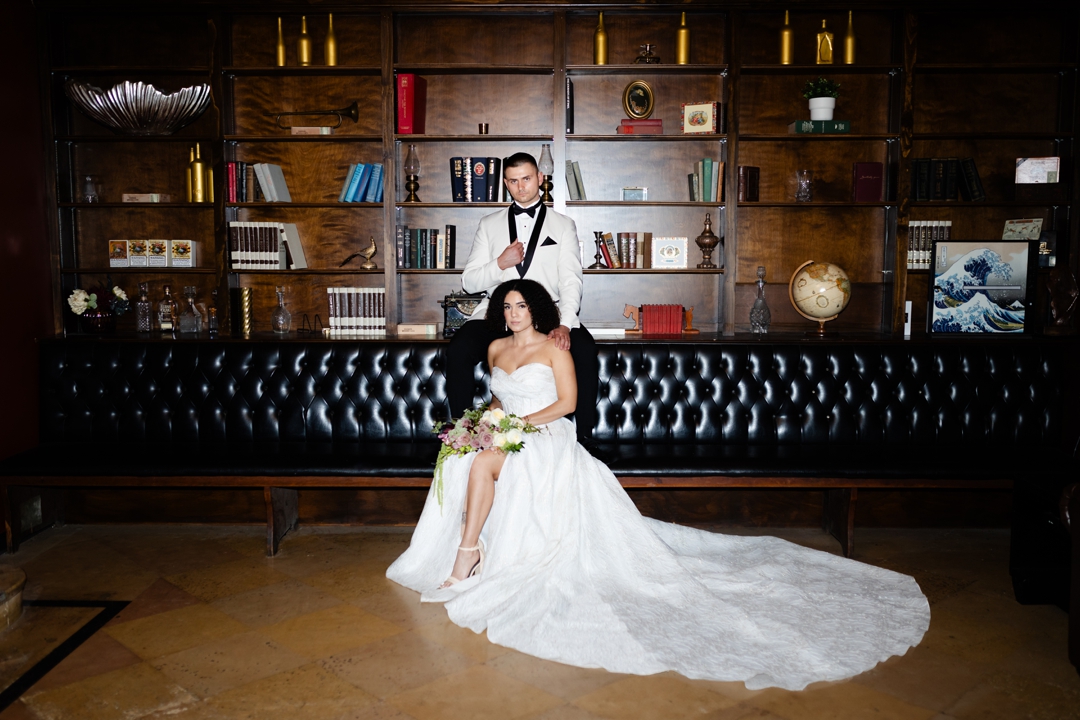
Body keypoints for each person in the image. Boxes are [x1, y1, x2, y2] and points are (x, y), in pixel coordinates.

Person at [387, 279, 931, 692]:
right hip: (511, 428)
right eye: (506, 307)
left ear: (538, 311)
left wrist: (517, 426)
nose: (512, 315)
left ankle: (467, 557)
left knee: (481, 464)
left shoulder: (556, 348)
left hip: (547, 432)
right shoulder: (495, 350)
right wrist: (486, 420)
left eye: (520, 307)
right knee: (465, 457)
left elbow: (569, 404)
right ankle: (473, 548)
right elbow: (499, 397)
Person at [446, 152, 598, 445]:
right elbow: (469, 282)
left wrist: (565, 325)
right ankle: (462, 434)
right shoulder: (488, 224)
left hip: (547, 314)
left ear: (540, 178)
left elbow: (571, 281)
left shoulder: (563, 225)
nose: (521, 186)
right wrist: (499, 264)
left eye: (527, 179)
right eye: (513, 181)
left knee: (585, 350)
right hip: (498, 312)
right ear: (505, 183)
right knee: (458, 350)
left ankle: (585, 438)